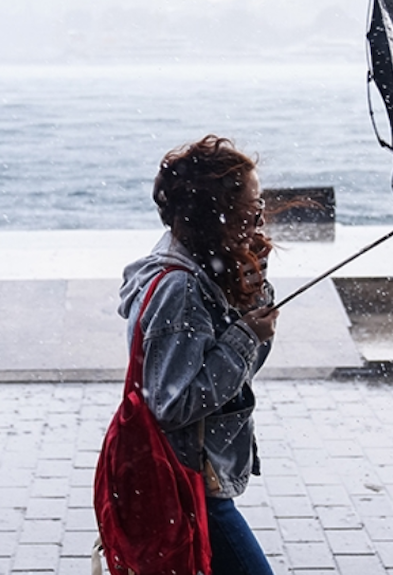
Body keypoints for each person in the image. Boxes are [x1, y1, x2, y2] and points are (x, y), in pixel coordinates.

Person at [117, 135, 278, 575]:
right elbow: (173, 404)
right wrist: (245, 335)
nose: (259, 219)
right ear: (217, 214)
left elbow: (240, 373)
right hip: (188, 482)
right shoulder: (181, 288)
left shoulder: (201, 265)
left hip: (192, 477)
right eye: (251, 209)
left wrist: (251, 296)